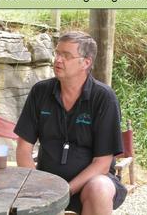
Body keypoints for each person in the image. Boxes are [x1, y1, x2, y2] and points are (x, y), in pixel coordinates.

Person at [14, 31, 127, 215]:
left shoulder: (104, 98)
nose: (58, 60)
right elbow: (23, 149)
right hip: (45, 183)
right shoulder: (40, 92)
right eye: (57, 53)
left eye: (66, 56)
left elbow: (102, 164)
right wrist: (38, 186)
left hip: (89, 184)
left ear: (86, 62)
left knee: (99, 187)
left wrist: (65, 191)